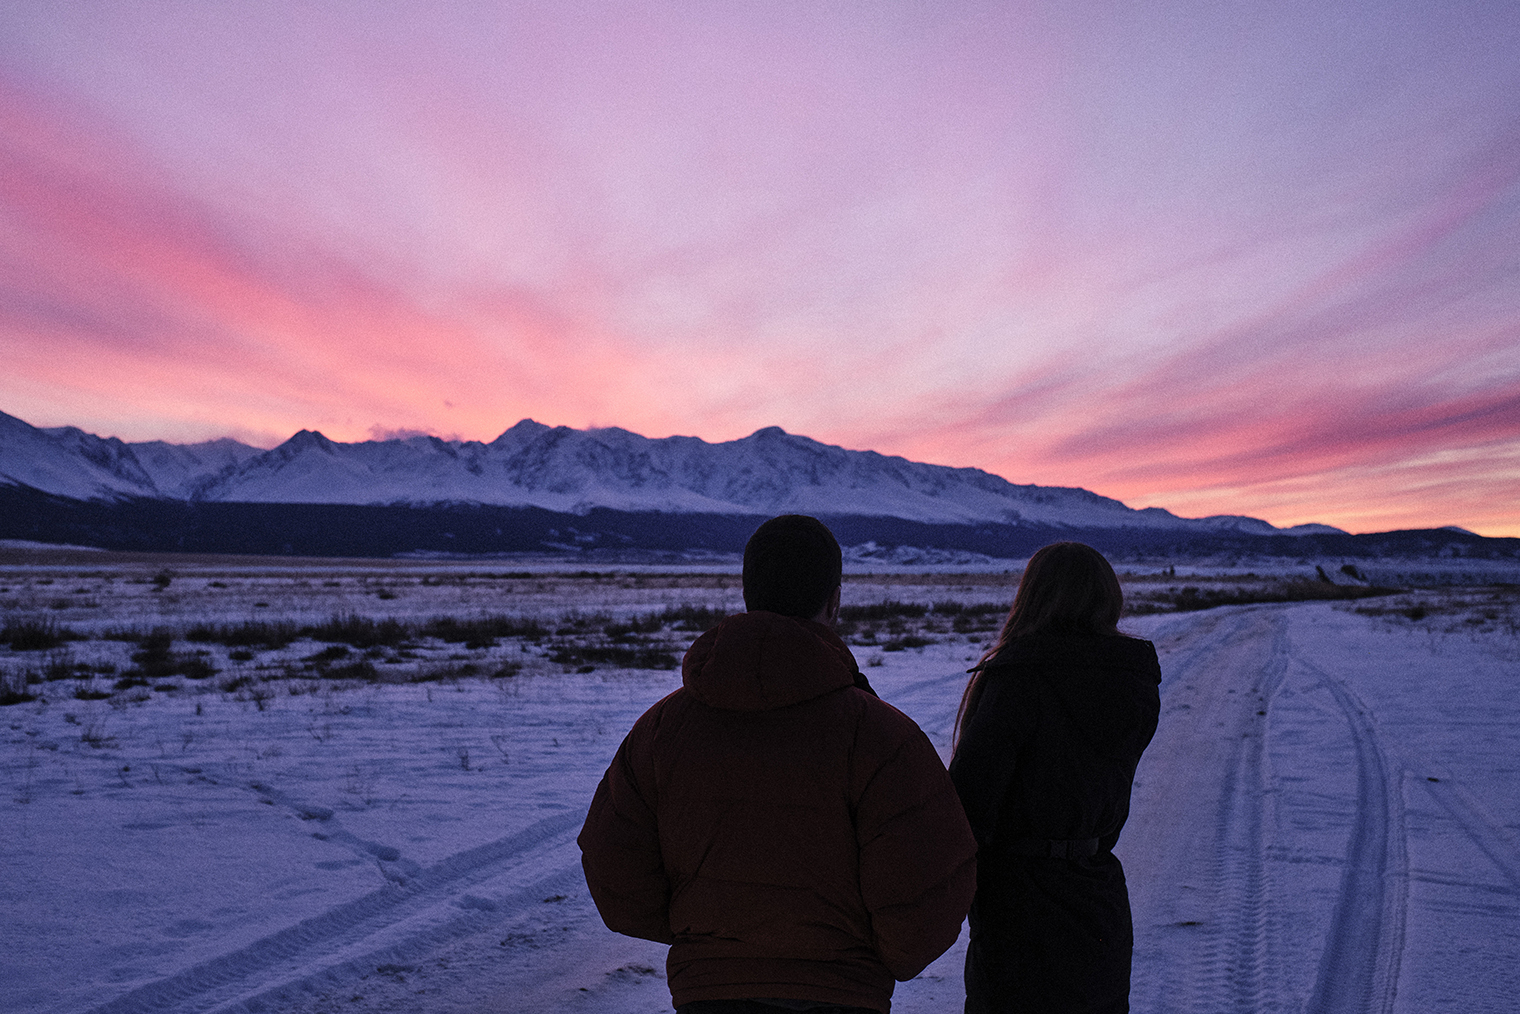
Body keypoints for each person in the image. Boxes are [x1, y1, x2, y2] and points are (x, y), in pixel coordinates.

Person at [579, 514, 978, 1014]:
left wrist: (706, 940)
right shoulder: (880, 736)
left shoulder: (663, 729)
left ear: (749, 593)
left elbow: (612, 860)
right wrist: (876, 958)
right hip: (841, 995)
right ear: (833, 600)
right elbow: (928, 880)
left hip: (709, 994)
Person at [949, 542, 1161, 1014]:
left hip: (1020, 909)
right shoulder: (1132, 682)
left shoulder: (1017, 679)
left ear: (1033, 596)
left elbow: (965, 807)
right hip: (1098, 898)